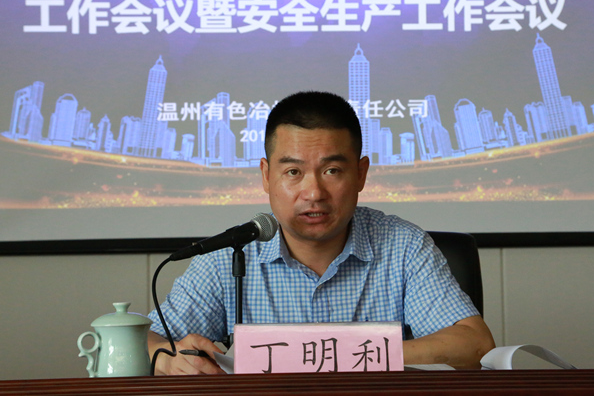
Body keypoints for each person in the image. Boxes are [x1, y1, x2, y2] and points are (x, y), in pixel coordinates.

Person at [147, 90, 495, 375]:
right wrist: (163, 359)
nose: (313, 193)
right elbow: (142, 340)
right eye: (293, 172)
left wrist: (337, 355)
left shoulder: (403, 246)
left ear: (361, 174)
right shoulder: (229, 256)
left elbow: (475, 346)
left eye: (332, 170)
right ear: (266, 176)